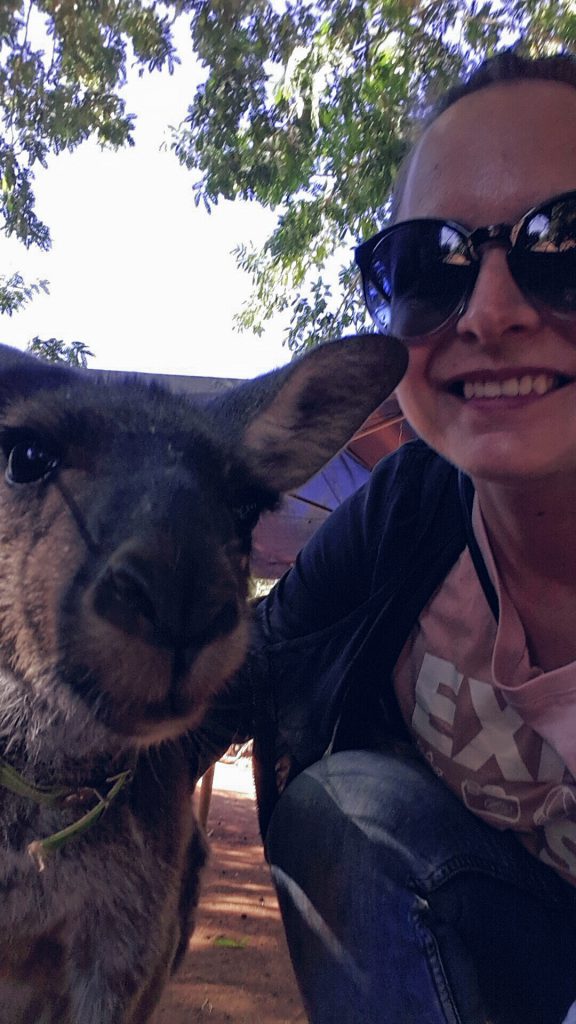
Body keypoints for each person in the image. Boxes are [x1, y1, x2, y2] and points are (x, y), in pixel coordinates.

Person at [194, 49, 576, 1024]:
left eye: (565, 245)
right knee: (347, 807)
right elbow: (258, 665)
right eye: (429, 265)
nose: (489, 314)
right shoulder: (409, 509)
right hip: (494, 940)